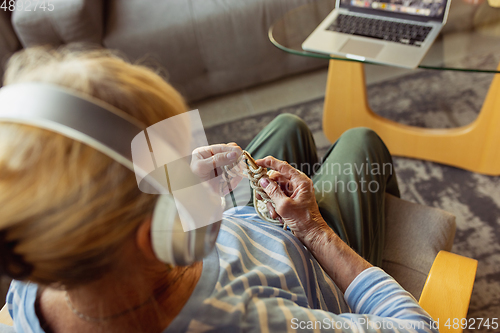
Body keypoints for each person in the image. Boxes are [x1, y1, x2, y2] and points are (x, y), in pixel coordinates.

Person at [0, 46, 437, 333]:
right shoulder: (246, 321)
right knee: (362, 144)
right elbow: (420, 329)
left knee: (288, 128)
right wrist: (314, 230)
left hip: (234, 233)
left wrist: (181, 192)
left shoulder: (35, 282)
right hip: (309, 257)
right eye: (172, 168)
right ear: (152, 233)